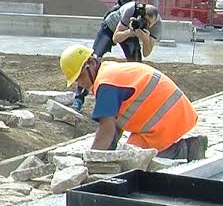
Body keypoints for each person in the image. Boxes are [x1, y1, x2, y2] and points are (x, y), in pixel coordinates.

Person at [60, 44, 207, 160]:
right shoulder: (109, 72)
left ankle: (187, 150)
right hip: (173, 113)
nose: (80, 83)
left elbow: (106, 128)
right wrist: (107, 156)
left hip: (169, 116)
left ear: (91, 63)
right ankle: (186, 148)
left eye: (80, 77)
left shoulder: (106, 82)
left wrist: (91, 160)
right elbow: (114, 126)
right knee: (128, 152)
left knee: (135, 159)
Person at [72, 0, 163, 110]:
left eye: (148, 24)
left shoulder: (157, 26)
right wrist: (130, 31)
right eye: (143, 20)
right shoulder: (131, 9)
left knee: (137, 67)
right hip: (110, 28)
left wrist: (145, 38)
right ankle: (79, 98)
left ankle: (133, 102)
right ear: (141, 13)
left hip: (131, 35)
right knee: (92, 60)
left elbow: (147, 53)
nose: (144, 24)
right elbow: (116, 37)